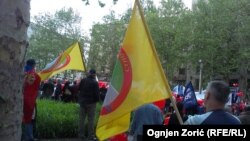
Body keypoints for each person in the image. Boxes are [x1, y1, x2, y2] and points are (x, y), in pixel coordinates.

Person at [22, 59, 41, 141]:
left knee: (21, 118)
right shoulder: (37, 76)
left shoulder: (22, 74)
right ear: (34, 65)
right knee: (29, 119)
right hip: (30, 101)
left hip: (21, 99)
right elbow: (37, 89)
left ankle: (22, 136)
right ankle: (29, 137)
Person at [78, 69, 100, 140]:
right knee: (91, 120)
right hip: (91, 104)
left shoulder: (83, 80)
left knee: (81, 120)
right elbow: (97, 95)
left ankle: (81, 135)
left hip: (82, 103)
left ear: (89, 73)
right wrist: (97, 101)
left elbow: (79, 89)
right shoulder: (95, 83)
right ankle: (90, 136)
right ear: (94, 74)